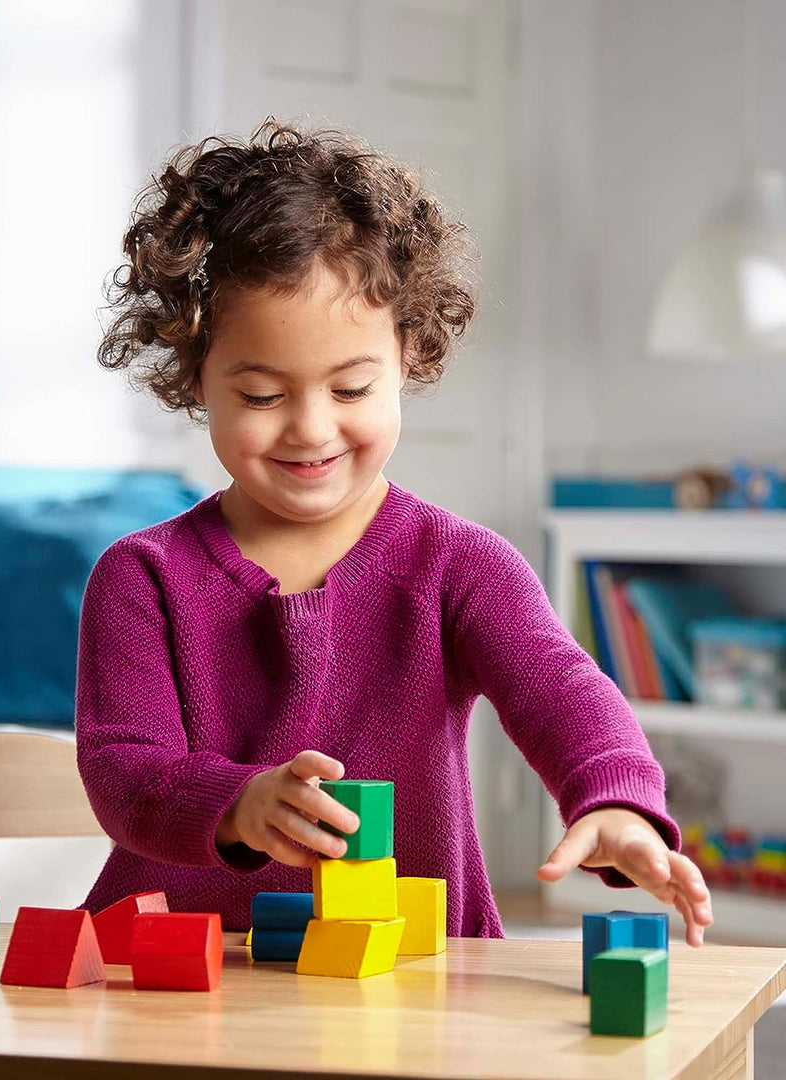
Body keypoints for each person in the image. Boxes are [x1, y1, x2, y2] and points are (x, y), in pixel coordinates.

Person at [75, 119, 713, 945]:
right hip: (183, 965)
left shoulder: (461, 565)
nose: (312, 429)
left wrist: (618, 802)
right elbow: (124, 771)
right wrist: (238, 802)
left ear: (408, 356)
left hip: (411, 965)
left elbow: (561, 689)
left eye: (351, 389)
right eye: (263, 396)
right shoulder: (142, 577)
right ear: (196, 375)